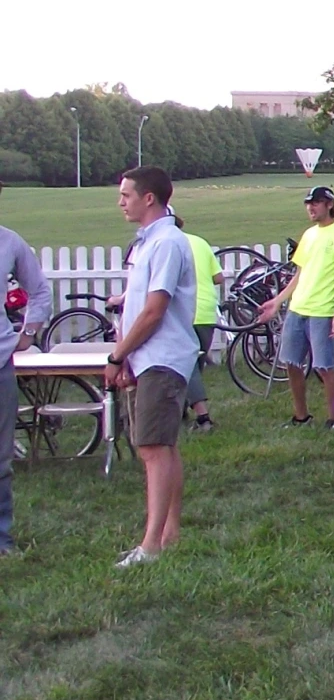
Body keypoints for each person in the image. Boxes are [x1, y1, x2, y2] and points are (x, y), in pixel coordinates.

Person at [109, 166, 200, 569]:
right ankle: (169, 534)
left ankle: (151, 547)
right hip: (148, 357)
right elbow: (134, 309)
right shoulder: (149, 242)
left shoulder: (165, 243)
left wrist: (117, 356)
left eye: (126, 194)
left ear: (149, 198)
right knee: (162, 446)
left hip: (161, 357)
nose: (121, 202)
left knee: (152, 449)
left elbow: (153, 311)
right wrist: (126, 352)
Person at [256, 184, 334, 429]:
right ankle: (301, 415)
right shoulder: (309, 235)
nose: (311, 208)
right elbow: (299, 274)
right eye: (308, 203)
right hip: (298, 308)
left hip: (322, 310)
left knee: (324, 366)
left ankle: (333, 418)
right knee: (291, 363)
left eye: (316, 203)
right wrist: (278, 300)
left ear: (329, 205)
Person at [0, 185, 52, 556]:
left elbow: (39, 291)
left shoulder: (9, 243)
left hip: (0, 362)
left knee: (0, 457)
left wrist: (28, 333)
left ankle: (1, 539)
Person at [175, 211, 221, 433]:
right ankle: (181, 409)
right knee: (196, 363)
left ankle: (203, 418)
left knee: (187, 365)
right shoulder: (200, 242)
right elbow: (218, 277)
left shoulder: (168, 245)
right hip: (206, 312)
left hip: (186, 311)